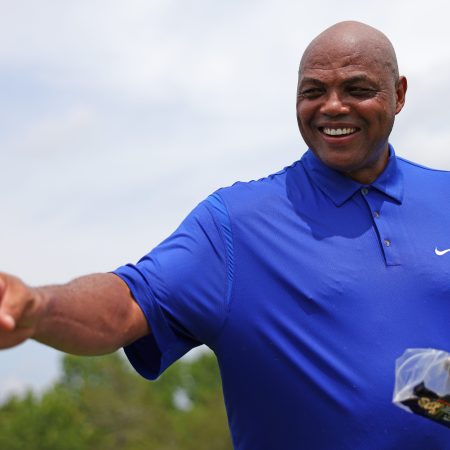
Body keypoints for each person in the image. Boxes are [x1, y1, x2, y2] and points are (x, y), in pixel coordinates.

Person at [1, 20, 449, 449]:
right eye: (313, 92)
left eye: (357, 89)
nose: (332, 106)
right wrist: (41, 308)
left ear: (399, 94)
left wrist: (422, 399)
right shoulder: (236, 225)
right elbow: (126, 304)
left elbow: (416, 378)